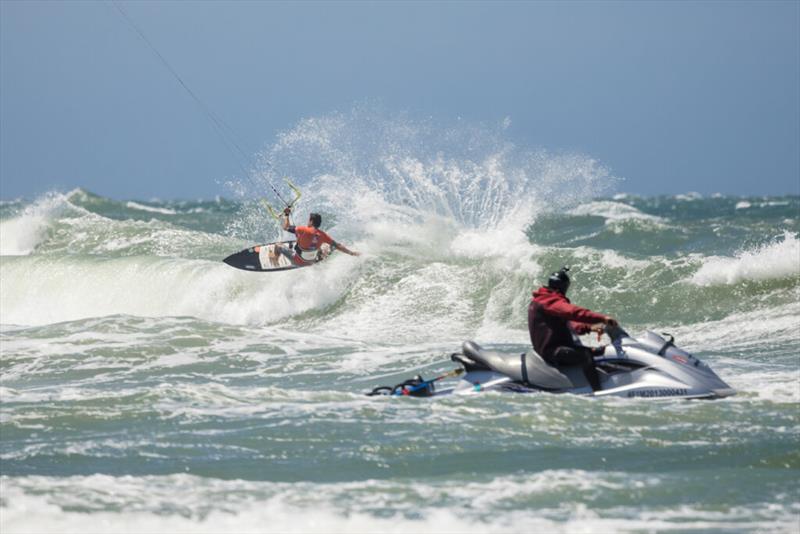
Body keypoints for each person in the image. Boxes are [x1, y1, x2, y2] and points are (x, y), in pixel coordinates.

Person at [528, 267, 618, 392]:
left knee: (598, 351)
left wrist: (592, 328)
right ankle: (598, 392)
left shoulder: (544, 299)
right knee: (585, 356)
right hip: (552, 350)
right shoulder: (549, 301)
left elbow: (571, 323)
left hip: (553, 347)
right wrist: (602, 318)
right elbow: (573, 313)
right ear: (564, 286)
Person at [270, 207, 360, 266]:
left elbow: (286, 227)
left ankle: (275, 260)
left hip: (298, 261)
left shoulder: (303, 230)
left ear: (311, 221)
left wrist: (286, 215)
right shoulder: (323, 235)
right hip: (311, 261)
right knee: (328, 246)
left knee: (278, 245)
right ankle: (320, 259)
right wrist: (352, 253)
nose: (307, 222)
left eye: (309, 220)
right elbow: (338, 245)